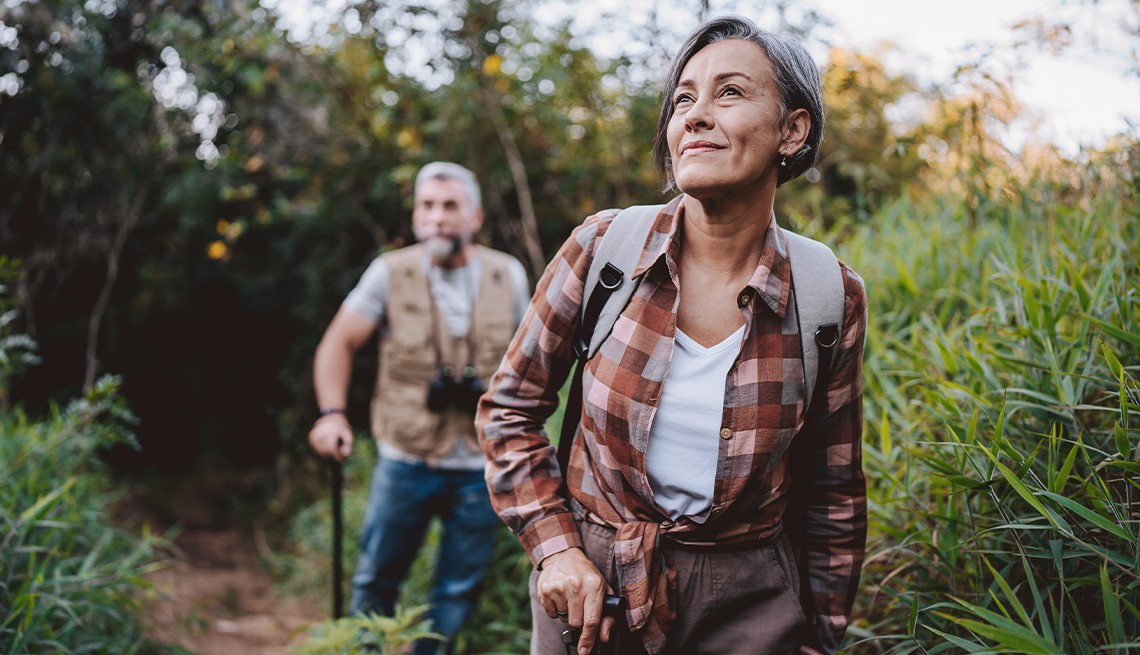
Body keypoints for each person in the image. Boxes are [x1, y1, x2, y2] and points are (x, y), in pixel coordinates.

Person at [476, 16, 867, 655]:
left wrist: (821, 638)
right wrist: (556, 551)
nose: (696, 115)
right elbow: (509, 411)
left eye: (730, 93)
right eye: (684, 98)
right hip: (593, 592)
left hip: (752, 600)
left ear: (792, 131)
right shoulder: (604, 250)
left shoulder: (828, 294)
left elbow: (834, 488)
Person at [308, 161, 530, 655]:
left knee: (456, 592)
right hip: (405, 458)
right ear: (414, 216)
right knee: (375, 580)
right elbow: (337, 344)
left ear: (474, 216)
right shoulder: (389, 273)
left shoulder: (507, 275)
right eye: (427, 206)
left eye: (450, 206)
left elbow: (531, 364)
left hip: (480, 466)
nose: (437, 217)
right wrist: (331, 415)